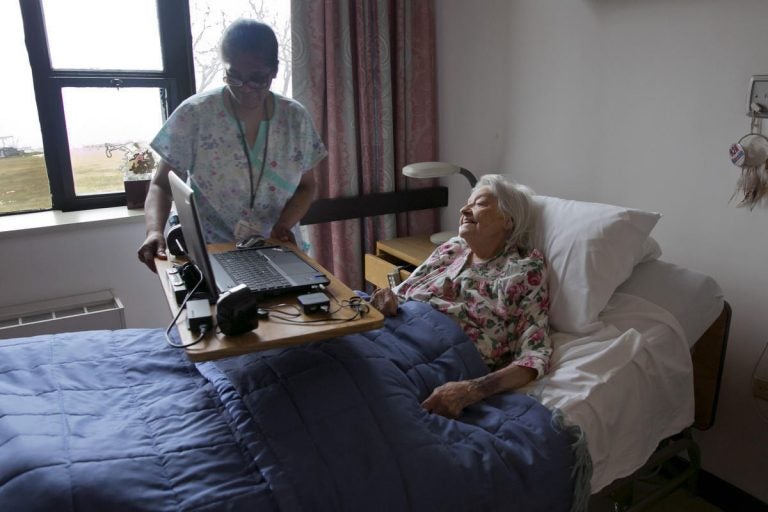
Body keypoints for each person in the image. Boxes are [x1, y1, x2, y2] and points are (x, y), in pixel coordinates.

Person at [138, 19, 328, 272]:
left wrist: (283, 225)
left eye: (257, 78)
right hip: (213, 252)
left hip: (277, 249)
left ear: (274, 70)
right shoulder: (195, 115)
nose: (244, 88)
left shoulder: (295, 119)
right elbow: (162, 183)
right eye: (234, 76)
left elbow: (307, 186)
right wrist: (154, 231)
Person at [370, 175, 551, 419]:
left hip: (439, 355)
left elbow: (534, 355)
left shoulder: (523, 269)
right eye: (468, 203)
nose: (465, 209)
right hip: (394, 332)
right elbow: (402, 292)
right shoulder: (450, 249)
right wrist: (384, 300)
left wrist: (472, 389)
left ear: (508, 221)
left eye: (480, 204)